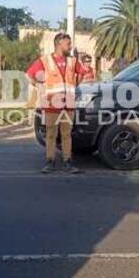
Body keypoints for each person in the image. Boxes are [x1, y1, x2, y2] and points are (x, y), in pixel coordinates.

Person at [27, 33, 91, 174]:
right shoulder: (45, 60)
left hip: (68, 103)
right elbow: (30, 75)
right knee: (51, 134)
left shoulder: (72, 61)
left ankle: (67, 161)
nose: (70, 46)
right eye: (68, 44)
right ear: (59, 44)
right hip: (51, 104)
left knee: (66, 134)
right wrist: (40, 86)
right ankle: (50, 161)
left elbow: (81, 73)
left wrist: (74, 85)